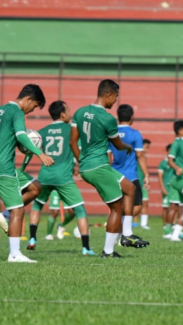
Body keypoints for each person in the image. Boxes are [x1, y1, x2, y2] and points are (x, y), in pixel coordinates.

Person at [71, 79, 149, 258]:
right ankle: (108, 251)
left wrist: (81, 162)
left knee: (130, 188)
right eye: (115, 98)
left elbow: (72, 141)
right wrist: (127, 147)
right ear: (108, 95)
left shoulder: (80, 112)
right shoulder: (107, 118)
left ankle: (127, 233)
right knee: (116, 208)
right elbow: (118, 144)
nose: (115, 102)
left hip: (91, 165)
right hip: (99, 167)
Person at [0, 84, 54, 263]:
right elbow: (22, 136)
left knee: (35, 187)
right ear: (29, 99)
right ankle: (14, 254)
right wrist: (41, 154)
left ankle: (4, 215)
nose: (32, 110)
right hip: (3, 168)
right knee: (18, 210)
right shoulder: (17, 112)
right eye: (34, 106)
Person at [26, 100, 97, 255]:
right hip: (63, 178)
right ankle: (86, 248)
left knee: (37, 206)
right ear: (63, 114)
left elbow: (31, 150)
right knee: (80, 210)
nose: (70, 113)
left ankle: (32, 239)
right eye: (68, 110)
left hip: (44, 175)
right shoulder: (71, 130)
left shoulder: (42, 131)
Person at [108, 104, 150, 238]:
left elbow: (108, 156)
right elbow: (140, 155)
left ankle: (117, 233)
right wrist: (146, 174)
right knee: (136, 207)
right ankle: (124, 233)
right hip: (131, 176)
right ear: (132, 117)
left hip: (115, 175)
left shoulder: (111, 134)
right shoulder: (135, 134)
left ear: (118, 117)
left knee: (118, 208)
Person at [158, 143, 174, 237]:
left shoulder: (176, 162)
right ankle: (165, 225)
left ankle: (172, 224)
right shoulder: (163, 163)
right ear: (167, 151)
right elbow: (160, 176)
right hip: (166, 188)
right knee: (166, 207)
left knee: (174, 207)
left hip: (174, 188)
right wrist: (162, 187)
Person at [138, 138, 152, 229]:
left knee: (145, 203)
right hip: (134, 183)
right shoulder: (135, 156)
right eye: (146, 147)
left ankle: (144, 223)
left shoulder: (144, 157)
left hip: (143, 184)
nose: (147, 149)